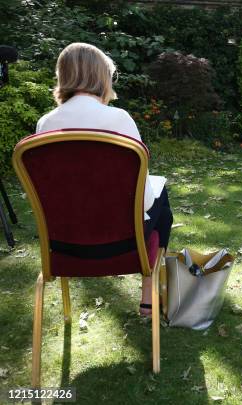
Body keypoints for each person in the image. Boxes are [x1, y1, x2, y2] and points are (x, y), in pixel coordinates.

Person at [35, 42, 173, 316]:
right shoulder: (119, 120)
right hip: (123, 242)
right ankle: (149, 291)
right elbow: (144, 202)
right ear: (101, 76)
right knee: (162, 204)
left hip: (64, 245)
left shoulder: (45, 124)